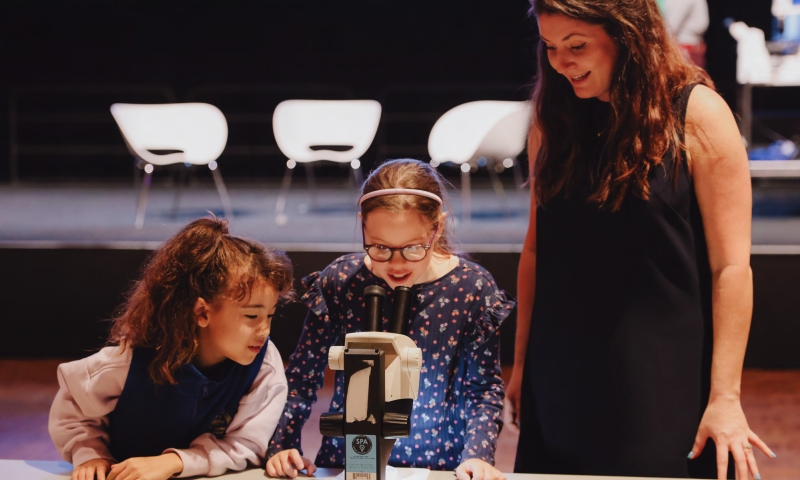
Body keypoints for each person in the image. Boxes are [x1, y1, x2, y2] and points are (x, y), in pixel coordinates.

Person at [505, 0, 777, 478]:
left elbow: (731, 268)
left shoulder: (698, 113)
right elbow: (535, 250)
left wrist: (725, 398)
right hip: (563, 375)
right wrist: (522, 366)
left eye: (577, 45)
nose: (561, 61)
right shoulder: (554, 119)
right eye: (550, 47)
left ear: (628, 36)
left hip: (662, 380)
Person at [264, 159, 514, 480]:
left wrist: (478, 455)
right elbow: (302, 376)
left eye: (412, 248)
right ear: (363, 225)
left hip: (440, 464)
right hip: (350, 461)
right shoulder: (341, 280)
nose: (396, 264)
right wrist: (283, 443)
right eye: (380, 247)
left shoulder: (470, 288)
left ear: (437, 227)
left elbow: (483, 390)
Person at [49, 217, 294, 480]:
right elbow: (73, 409)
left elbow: (245, 444)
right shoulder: (132, 359)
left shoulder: (264, 365)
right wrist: (90, 453)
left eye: (270, 315)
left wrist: (175, 462)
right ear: (202, 312)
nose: (265, 331)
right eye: (251, 316)